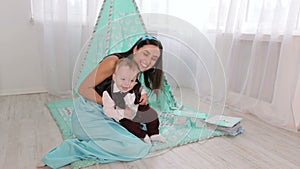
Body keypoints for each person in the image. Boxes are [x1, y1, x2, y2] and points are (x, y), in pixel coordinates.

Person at [38, 35, 165, 169]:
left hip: (110, 114)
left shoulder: (135, 70)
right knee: (135, 147)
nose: (148, 61)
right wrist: (114, 106)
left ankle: (103, 139)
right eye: (145, 54)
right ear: (135, 49)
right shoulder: (113, 63)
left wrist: (139, 99)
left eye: (154, 59)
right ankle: (74, 148)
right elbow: (82, 89)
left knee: (143, 128)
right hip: (90, 112)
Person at [102, 58, 166, 144]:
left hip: (137, 109)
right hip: (123, 116)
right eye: (123, 79)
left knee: (152, 114)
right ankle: (143, 136)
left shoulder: (135, 85)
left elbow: (140, 89)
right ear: (114, 77)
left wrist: (143, 95)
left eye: (131, 80)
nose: (127, 83)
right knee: (131, 126)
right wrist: (120, 114)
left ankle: (153, 133)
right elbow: (107, 110)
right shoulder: (108, 93)